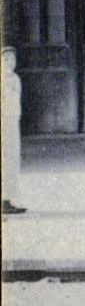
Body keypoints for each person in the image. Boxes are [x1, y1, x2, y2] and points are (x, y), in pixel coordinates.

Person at [1, 48, 26, 213]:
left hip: (12, 121)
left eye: (12, 59)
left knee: (12, 159)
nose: (10, 62)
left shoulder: (15, 79)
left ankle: (8, 198)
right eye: (6, 59)